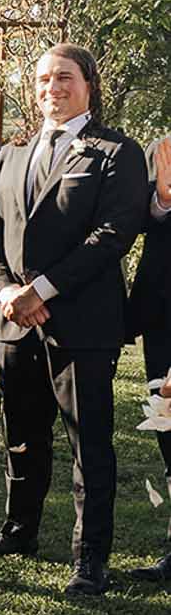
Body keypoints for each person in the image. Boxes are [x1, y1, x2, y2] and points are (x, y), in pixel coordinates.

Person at [0, 44, 146, 598]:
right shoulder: (10, 155)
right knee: (22, 435)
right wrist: (5, 293)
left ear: (88, 85)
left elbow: (113, 235)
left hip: (84, 322)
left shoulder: (118, 152)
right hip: (15, 321)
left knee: (88, 442)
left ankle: (90, 556)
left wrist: (41, 290)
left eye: (64, 77)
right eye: (44, 79)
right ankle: (18, 532)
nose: (52, 87)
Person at [127, 133, 171, 584]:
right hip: (163, 317)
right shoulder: (164, 148)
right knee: (170, 426)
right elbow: (137, 218)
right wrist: (161, 198)